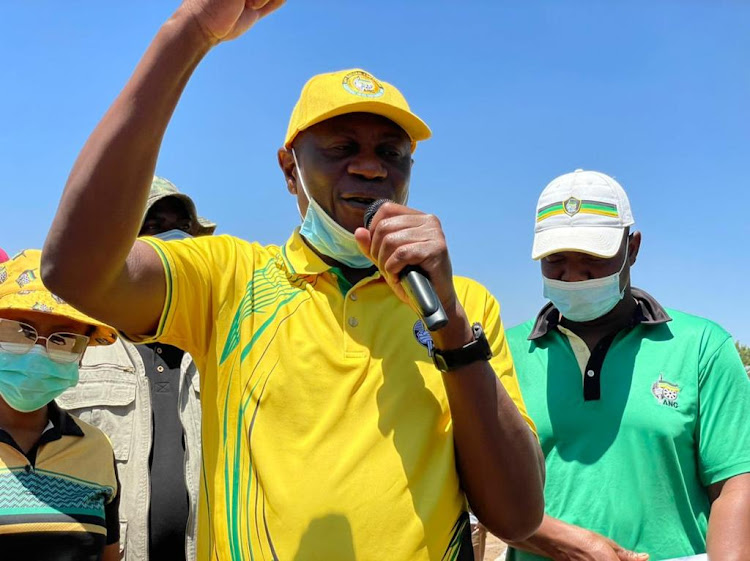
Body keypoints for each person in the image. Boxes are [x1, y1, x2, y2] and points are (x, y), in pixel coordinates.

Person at [40, 1, 545, 559]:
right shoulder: (230, 278)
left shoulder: (464, 306)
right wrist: (186, 37)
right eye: (342, 148)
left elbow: (517, 515)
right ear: (289, 169)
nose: (372, 167)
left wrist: (449, 324)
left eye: (391, 153)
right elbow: (75, 271)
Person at [504, 169, 750, 560]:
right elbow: (488, 489)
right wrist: (569, 545)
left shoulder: (701, 346)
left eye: (592, 257)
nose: (573, 275)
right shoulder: (505, 353)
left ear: (632, 248)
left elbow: (735, 483)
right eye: (556, 259)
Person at [57, 176, 215, 561]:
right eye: (152, 226)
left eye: (181, 228)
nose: (170, 239)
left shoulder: (222, 344)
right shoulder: (79, 346)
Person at [0, 249, 120, 561]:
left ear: (82, 353)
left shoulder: (96, 448)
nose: (39, 353)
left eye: (63, 339)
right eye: (20, 330)